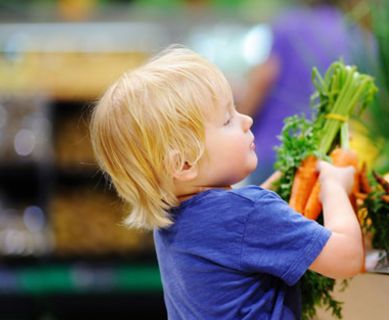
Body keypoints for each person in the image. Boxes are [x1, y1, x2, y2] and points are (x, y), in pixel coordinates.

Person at [89, 46, 363, 319]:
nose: (246, 120)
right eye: (228, 119)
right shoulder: (249, 214)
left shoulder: (173, 220)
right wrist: (334, 187)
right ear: (184, 164)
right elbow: (347, 258)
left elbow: (236, 230)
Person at [237, 1, 356, 185]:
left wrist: (234, 122)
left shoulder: (289, 24)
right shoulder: (351, 32)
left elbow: (263, 80)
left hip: (273, 149)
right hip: (323, 155)